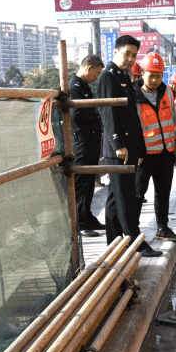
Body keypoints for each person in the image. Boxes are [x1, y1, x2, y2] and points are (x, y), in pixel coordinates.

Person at [96, 36, 162, 257]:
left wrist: (138, 149)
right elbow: (109, 113)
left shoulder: (123, 76)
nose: (130, 58)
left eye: (134, 55)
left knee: (115, 199)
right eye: (127, 53)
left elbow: (132, 116)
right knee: (125, 198)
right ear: (115, 52)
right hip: (119, 149)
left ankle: (114, 244)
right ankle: (136, 242)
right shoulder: (108, 77)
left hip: (129, 147)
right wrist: (119, 144)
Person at [132, 52, 176, 242]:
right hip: (144, 155)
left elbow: (174, 117)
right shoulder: (133, 94)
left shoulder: (168, 91)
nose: (154, 80)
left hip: (166, 152)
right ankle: (134, 231)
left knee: (163, 192)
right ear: (142, 73)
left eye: (158, 75)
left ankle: (163, 227)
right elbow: (130, 126)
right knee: (138, 193)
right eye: (151, 75)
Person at [70, 55, 105, 237]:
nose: (97, 77)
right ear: (89, 68)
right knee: (82, 184)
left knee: (90, 181)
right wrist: (95, 114)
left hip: (90, 141)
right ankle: (80, 223)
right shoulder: (74, 87)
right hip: (81, 143)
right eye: (97, 73)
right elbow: (76, 115)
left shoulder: (83, 86)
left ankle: (87, 215)